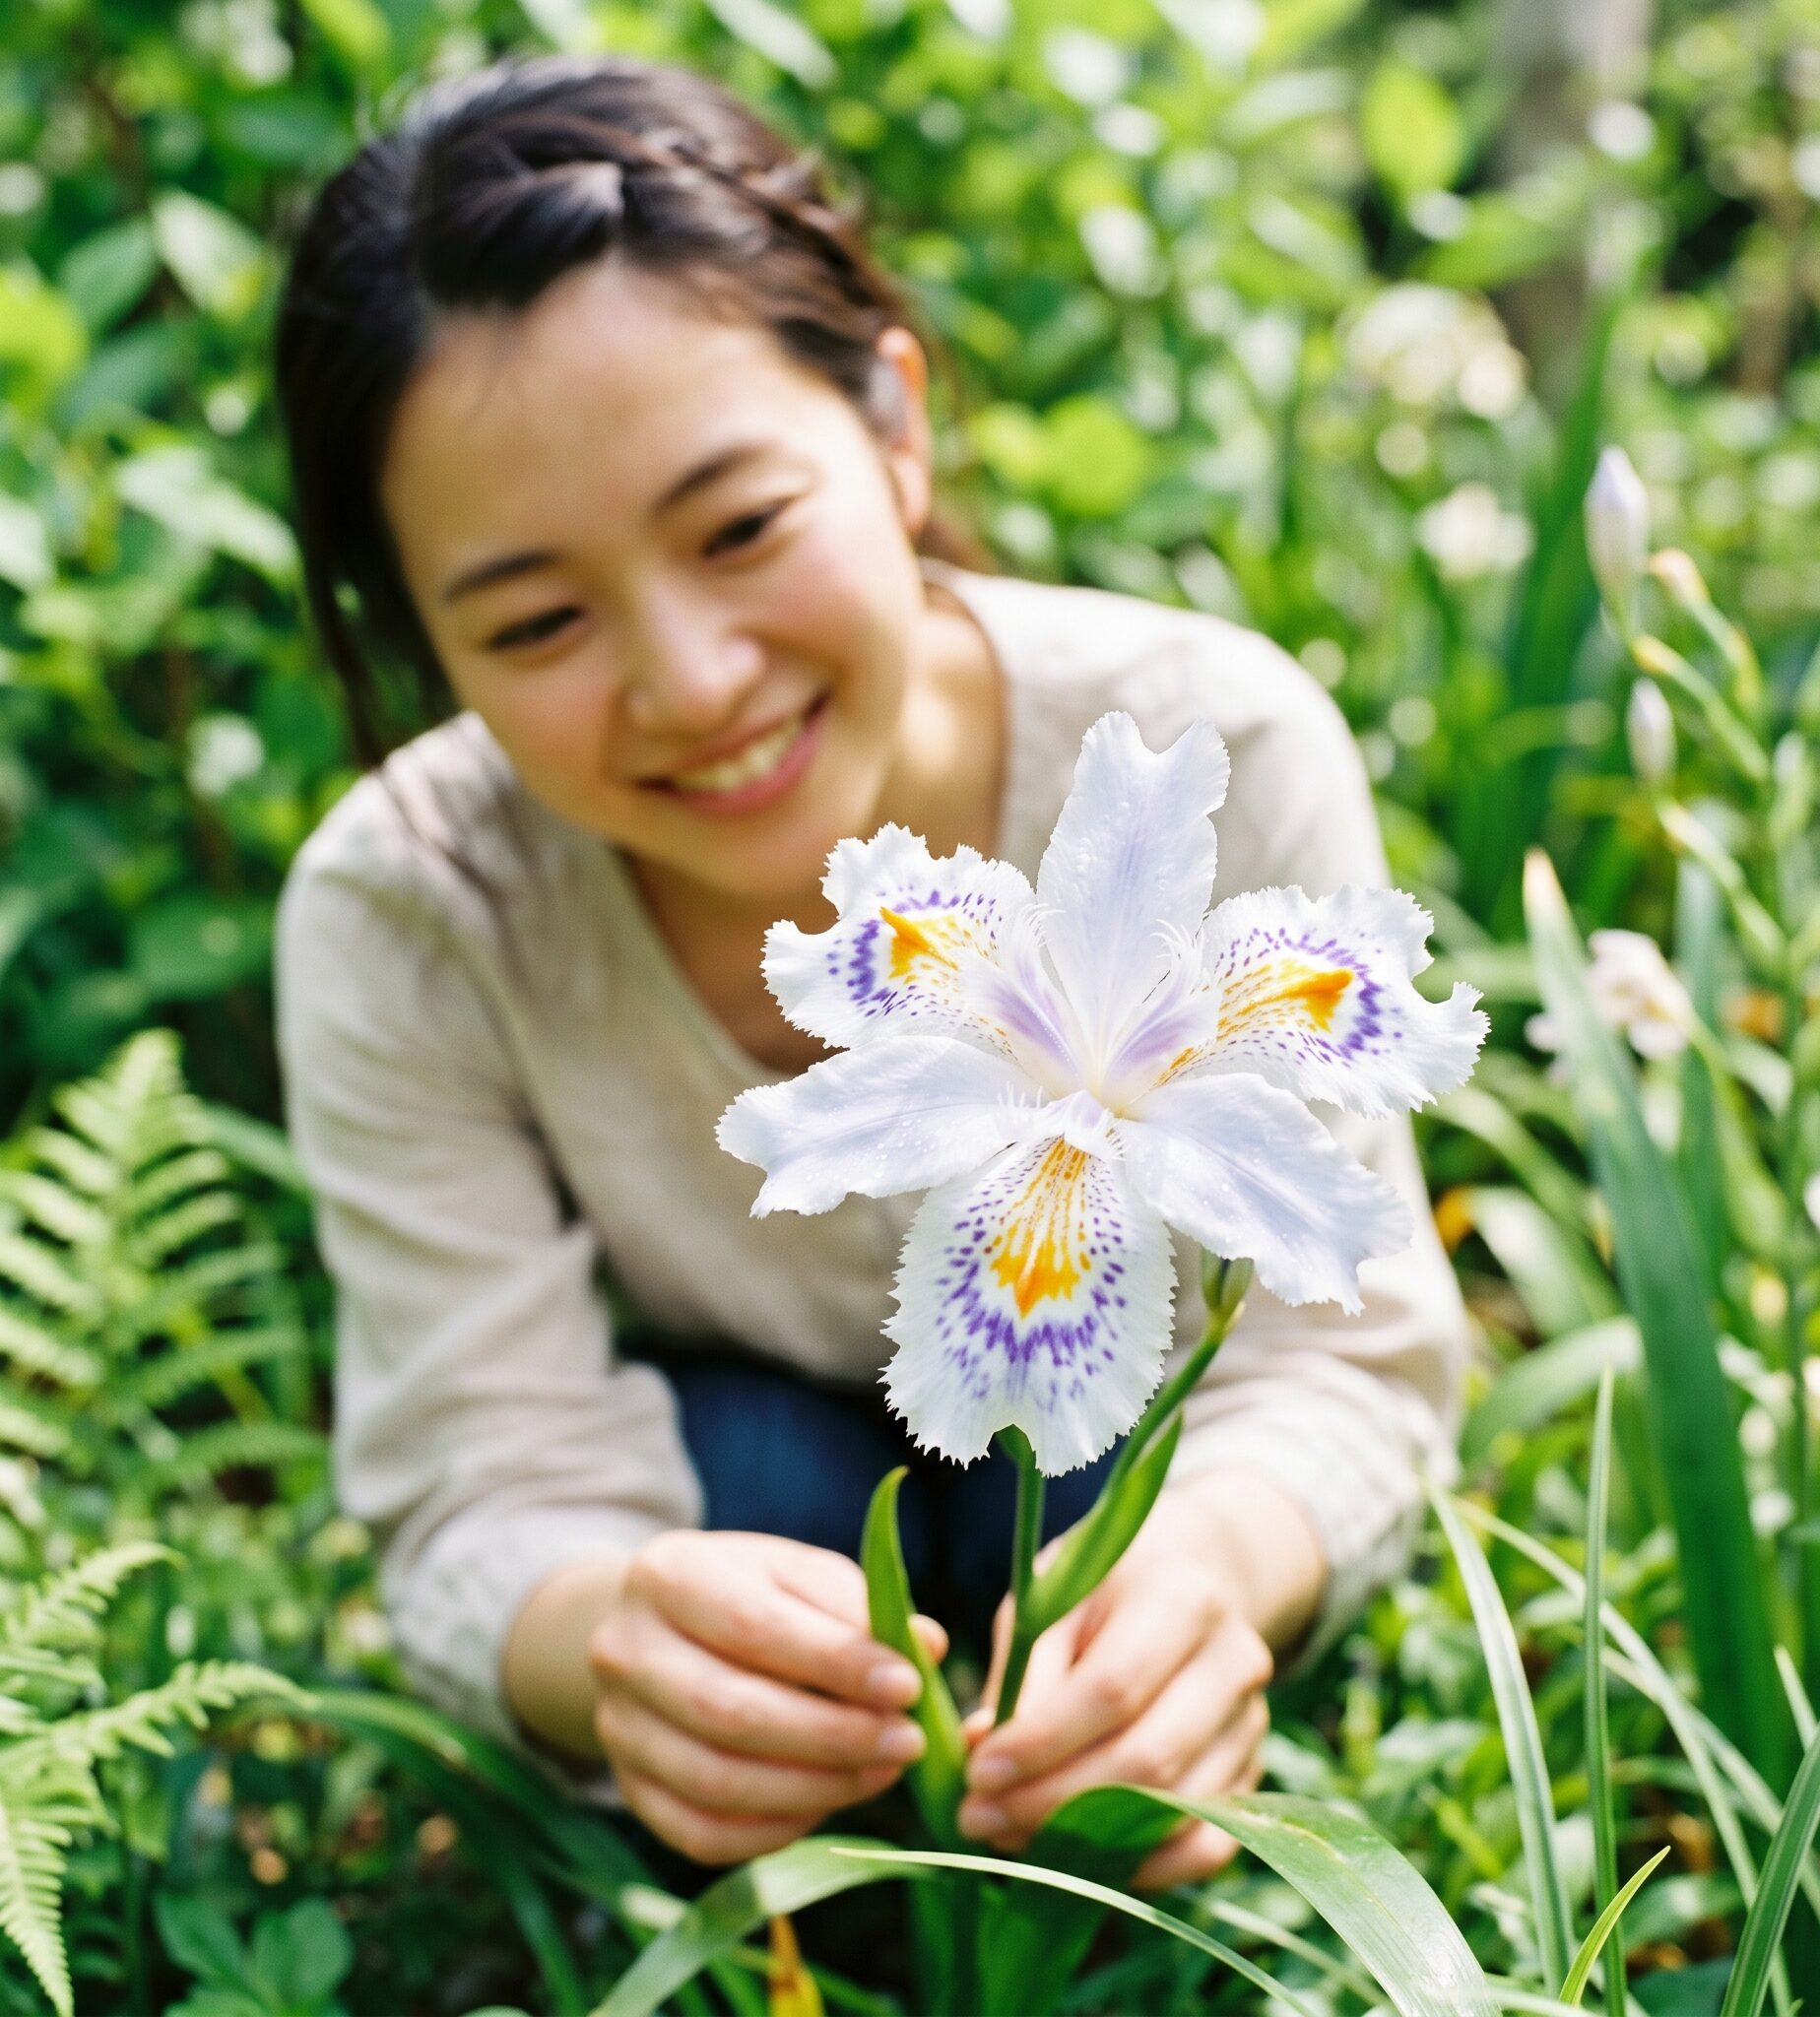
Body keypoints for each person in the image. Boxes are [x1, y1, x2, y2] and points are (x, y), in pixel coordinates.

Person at [269, 51, 1470, 1890]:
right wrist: (608, 1650)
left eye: (739, 528)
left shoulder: (1201, 738)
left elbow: (1350, 1355)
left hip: (1116, 1465)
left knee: (1110, 1494)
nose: (691, 680)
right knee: (746, 1490)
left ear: (895, 425)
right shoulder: (411, 906)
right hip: (760, 1542)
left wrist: (1211, 1579)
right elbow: (477, 1485)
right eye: (535, 620)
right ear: (420, 638)